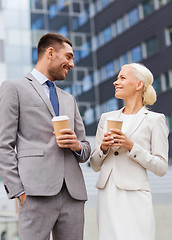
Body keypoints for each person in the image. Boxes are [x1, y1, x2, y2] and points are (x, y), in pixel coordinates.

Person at [0, 33, 91, 240]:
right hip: (34, 194)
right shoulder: (14, 88)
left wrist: (77, 145)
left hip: (73, 195)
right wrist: (19, 192)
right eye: (68, 57)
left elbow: (85, 149)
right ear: (50, 53)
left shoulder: (70, 99)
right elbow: (3, 145)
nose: (72, 64)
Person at [90, 63, 169, 240]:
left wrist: (131, 146)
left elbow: (161, 167)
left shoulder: (155, 120)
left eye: (122, 78)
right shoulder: (106, 118)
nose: (115, 82)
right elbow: (94, 165)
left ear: (139, 84)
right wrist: (103, 148)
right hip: (107, 194)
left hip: (135, 195)